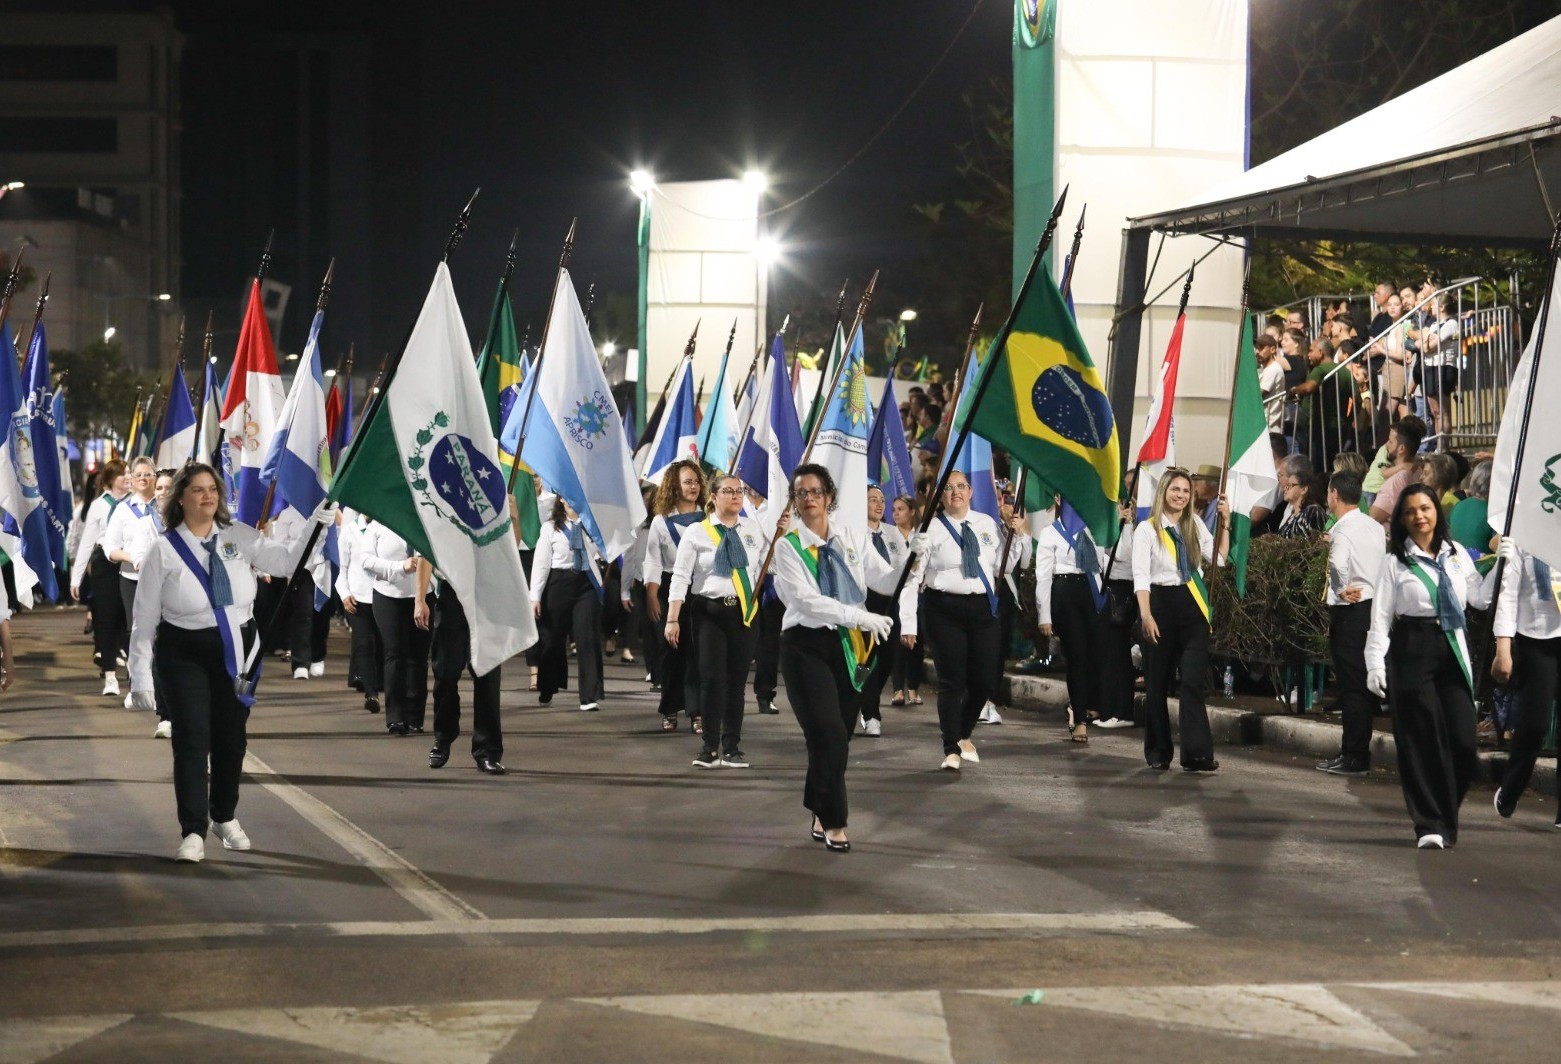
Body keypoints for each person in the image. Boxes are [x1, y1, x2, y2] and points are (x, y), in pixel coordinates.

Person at [127, 463, 329, 862]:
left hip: (237, 645)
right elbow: (145, 619)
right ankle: (193, 831)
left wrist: (316, 528)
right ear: (181, 498)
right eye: (198, 490)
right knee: (191, 740)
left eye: (212, 489)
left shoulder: (239, 536)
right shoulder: (162, 549)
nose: (207, 496)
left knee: (231, 739)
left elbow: (287, 563)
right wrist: (139, 679)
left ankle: (224, 816)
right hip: (183, 649)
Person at [773, 464, 897, 852]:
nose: (809, 498)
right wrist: (861, 615)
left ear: (829, 496)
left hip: (848, 647)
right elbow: (807, 602)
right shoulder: (788, 547)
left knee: (837, 736)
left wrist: (915, 557)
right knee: (826, 731)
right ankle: (834, 819)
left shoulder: (851, 537)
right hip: (804, 646)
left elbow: (886, 580)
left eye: (815, 491)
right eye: (801, 493)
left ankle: (818, 803)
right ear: (795, 502)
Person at [1364, 484, 1489, 849]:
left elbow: (1479, 599)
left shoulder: (1456, 554)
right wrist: (1375, 664)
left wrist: (1502, 566)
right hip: (1411, 648)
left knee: (1464, 742)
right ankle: (1430, 823)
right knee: (1421, 739)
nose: (1420, 516)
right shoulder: (1394, 563)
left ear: (1437, 511)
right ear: (1402, 520)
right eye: (1410, 511)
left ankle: (1444, 811)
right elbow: (1381, 618)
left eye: (1425, 508)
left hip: (1451, 644)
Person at [899, 470, 1029, 770]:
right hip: (942, 609)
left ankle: (963, 732)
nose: (955, 492)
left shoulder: (986, 524)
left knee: (984, 681)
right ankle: (950, 748)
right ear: (940, 496)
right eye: (949, 488)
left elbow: (1003, 565)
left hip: (982, 608)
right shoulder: (929, 529)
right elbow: (912, 578)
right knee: (952, 681)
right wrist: (908, 623)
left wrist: (1017, 536)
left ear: (970, 492)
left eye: (961, 487)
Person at [665, 474, 769, 768]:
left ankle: (732, 747)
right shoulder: (697, 532)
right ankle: (709, 747)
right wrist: (672, 619)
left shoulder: (752, 529)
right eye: (729, 491)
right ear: (713, 496)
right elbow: (681, 577)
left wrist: (780, 537)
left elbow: (766, 566)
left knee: (736, 683)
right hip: (708, 612)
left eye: (740, 491)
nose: (736, 496)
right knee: (711, 680)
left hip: (744, 614)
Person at [1133, 468, 1229, 772]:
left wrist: (1225, 524)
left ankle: (1197, 753)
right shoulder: (1147, 530)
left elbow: (1220, 559)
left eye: (1186, 491)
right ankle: (1159, 752)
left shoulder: (1195, 525)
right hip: (1159, 606)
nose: (1181, 496)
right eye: (1176, 490)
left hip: (1192, 607)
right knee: (1157, 684)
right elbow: (1141, 578)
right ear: (1164, 492)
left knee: (1191, 681)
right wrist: (1146, 615)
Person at [1315, 472, 1386, 777]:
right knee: (1362, 685)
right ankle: (1356, 752)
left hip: (1351, 610)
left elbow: (1336, 564)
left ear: (1334, 495)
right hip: (1374, 608)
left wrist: (1340, 586)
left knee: (1352, 687)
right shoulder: (1373, 526)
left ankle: (1354, 756)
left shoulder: (1343, 532)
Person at [1490, 537, 1561, 827]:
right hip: (1535, 638)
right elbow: (1507, 594)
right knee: (1535, 723)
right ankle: (1512, 787)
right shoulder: (1526, 534)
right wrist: (1503, 648)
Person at [1035, 497, 1110, 743]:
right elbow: (1044, 576)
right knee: (1077, 656)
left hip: (1093, 593)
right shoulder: (1050, 533)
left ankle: (1083, 704)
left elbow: (1110, 561)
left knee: (1096, 654)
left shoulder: (1097, 528)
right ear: (1058, 498)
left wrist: (1121, 526)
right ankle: (1080, 718)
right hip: (1065, 593)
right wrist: (1044, 615)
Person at [642, 460, 708, 731]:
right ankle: (669, 708)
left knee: (698, 653)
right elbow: (653, 562)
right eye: (687, 482)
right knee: (671, 652)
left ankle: (697, 712)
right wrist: (651, 595)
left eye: (696, 482)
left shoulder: (709, 518)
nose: (693, 487)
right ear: (673, 486)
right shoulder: (661, 521)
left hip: (700, 589)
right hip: (670, 590)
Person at [531, 498, 606, 712]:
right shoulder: (549, 527)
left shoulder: (592, 525)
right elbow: (541, 563)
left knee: (587, 638)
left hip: (586, 585)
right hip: (558, 583)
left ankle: (589, 695)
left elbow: (604, 552)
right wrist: (535, 596)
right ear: (560, 500)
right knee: (552, 640)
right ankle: (547, 687)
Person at [101, 457, 162, 710]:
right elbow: (109, 548)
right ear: (132, 479)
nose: (143, 479)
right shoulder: (123, 509)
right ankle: (136, 685)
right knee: (136, 632)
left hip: (162, 580)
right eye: (138, 475)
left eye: (148, 474)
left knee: (161, 633)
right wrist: (133, 558)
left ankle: (161, 686)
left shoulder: (166, 507)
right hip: (132, 579)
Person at [361, 519, 429, 735]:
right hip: (388, 595)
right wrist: (400, 567)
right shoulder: (378, 525)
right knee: (394, 653)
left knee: (418, 657)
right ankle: (395, 717)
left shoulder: (424, 518)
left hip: (423, 596)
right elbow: (365, 560)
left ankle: (415, 716)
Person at [70, 460, 130, 697]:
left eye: (129, 473)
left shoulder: (134, 503)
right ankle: (110, 676)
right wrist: (76, 578)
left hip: (129, 562)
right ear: (109, 480)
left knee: (130, 619)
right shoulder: (98, 506)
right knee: (106, 619)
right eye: (122, 474)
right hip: (105, 566)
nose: (127, 477)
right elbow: (86, 543)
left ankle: (136, 675)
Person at [856, 485, 910, 736]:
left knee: (886, 660)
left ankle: (863, 701)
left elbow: (903, 569)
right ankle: (870, 714)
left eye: (881, 500)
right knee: (867, 659)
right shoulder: (855, 532)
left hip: (890, 602)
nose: (879, 505)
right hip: (864, 601)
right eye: (872, 500)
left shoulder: (892, 533)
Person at [1095, 473, 1140, 730]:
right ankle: (1109, 707)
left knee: (1117, 653)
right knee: (1109, 653)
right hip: (1108, 587)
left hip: (1120, 591)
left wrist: (1119, 525)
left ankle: (1121, 711)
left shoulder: (1127, 528)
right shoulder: (1111, 525)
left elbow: (1122, 554)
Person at [335, 507, 383, 714]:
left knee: (384, 646)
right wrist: (344, 594)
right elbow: (342, 569)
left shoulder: (387, 529)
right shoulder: (350, 530)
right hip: (357, 600)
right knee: (364, 644)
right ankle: (371, 694)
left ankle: (386, 687)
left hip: (384, 599)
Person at [889, 494, 924, 706]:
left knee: (915, 644)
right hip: (895, 594)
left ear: (911, 512)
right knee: (897, 642)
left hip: (917, 594)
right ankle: (897, 689)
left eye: (901, 509)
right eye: (894, 509)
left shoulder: (920, 535)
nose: (896, 513)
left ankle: (913, 688)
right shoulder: (888, 534)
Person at [1367, 416, 1428, 524]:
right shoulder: (1419, 472)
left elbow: (1371, 521)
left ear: (1401, 448)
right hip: (1371, 490)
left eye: (1390, 441)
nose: (1386, 444)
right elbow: (1384, 473)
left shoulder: (1397, 481)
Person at [1276, 455, 1327, 539]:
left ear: (1304, 489)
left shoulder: (1313, 511)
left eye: (1290, 485)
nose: (1286, 488)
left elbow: (1312, 544)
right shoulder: (1291, 514)